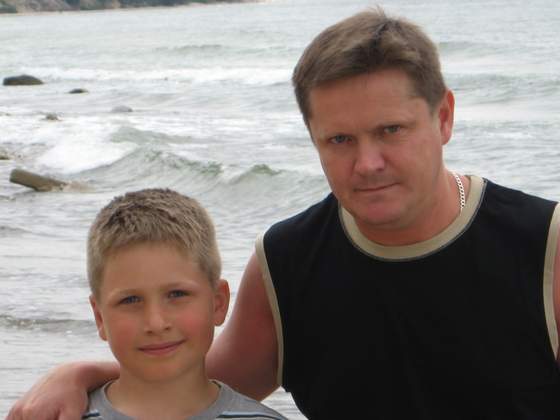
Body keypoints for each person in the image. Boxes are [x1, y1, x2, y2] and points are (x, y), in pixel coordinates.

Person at [7, 8, 560, 420]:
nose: (367, 163)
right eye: (339, 139)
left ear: (443, 117)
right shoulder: (287, 262)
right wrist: (80, 373)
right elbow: (197, 384)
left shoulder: (546, 246)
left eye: (391, 130)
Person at [77, 188, 287, 420]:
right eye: (131, 300)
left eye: (177, 294)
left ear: (218, 303)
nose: (156, 323)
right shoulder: (61, 414)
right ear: (99, 317)